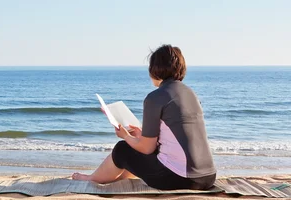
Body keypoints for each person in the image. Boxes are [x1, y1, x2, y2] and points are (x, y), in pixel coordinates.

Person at [72, 44, 216, 190]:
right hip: (208, 177)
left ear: (154, 69)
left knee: (122, 149)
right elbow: (177, 136)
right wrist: (141, 135)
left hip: (180, 179)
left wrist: (126, 136)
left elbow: (147, 149)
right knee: (139, 148)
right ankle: (118, 178)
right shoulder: (191, 94)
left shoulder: (155, 97)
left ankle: (92, 179)